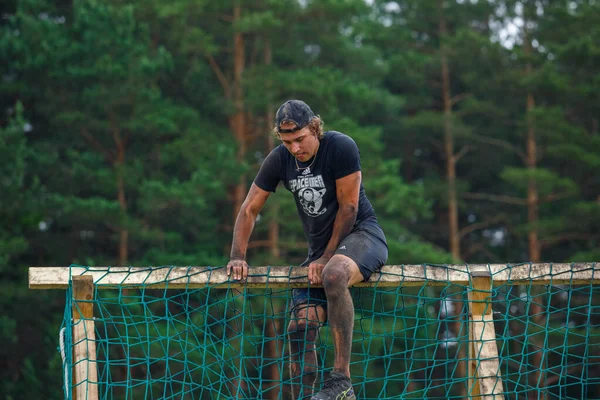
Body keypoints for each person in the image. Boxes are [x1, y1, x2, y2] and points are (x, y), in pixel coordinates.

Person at [226, 99, 388, 400]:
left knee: (335, 275)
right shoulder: (280, 160)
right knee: (300, 325)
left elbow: (349, 207)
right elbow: (249, 209)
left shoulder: (340, 147)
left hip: (362, 236)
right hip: (320, 254)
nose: (295, 148)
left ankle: (341, 381)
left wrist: (326, 258)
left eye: (299, 139)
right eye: (287, 142)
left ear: (315, 128)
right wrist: (237, 256)